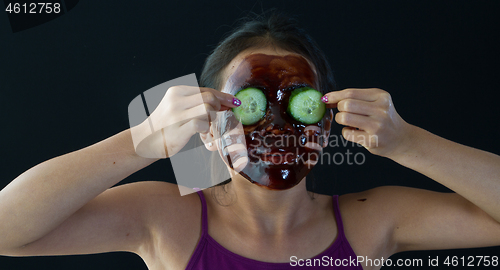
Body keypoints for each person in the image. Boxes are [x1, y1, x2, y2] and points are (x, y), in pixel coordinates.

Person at [1, 13, 500, 270]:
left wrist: (408, 142)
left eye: (299, 106)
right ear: (210, 132)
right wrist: (142, 140)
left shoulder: (372, 221)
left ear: (325, 128)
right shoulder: (163, 218)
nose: (277, 128)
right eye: (251, 106)